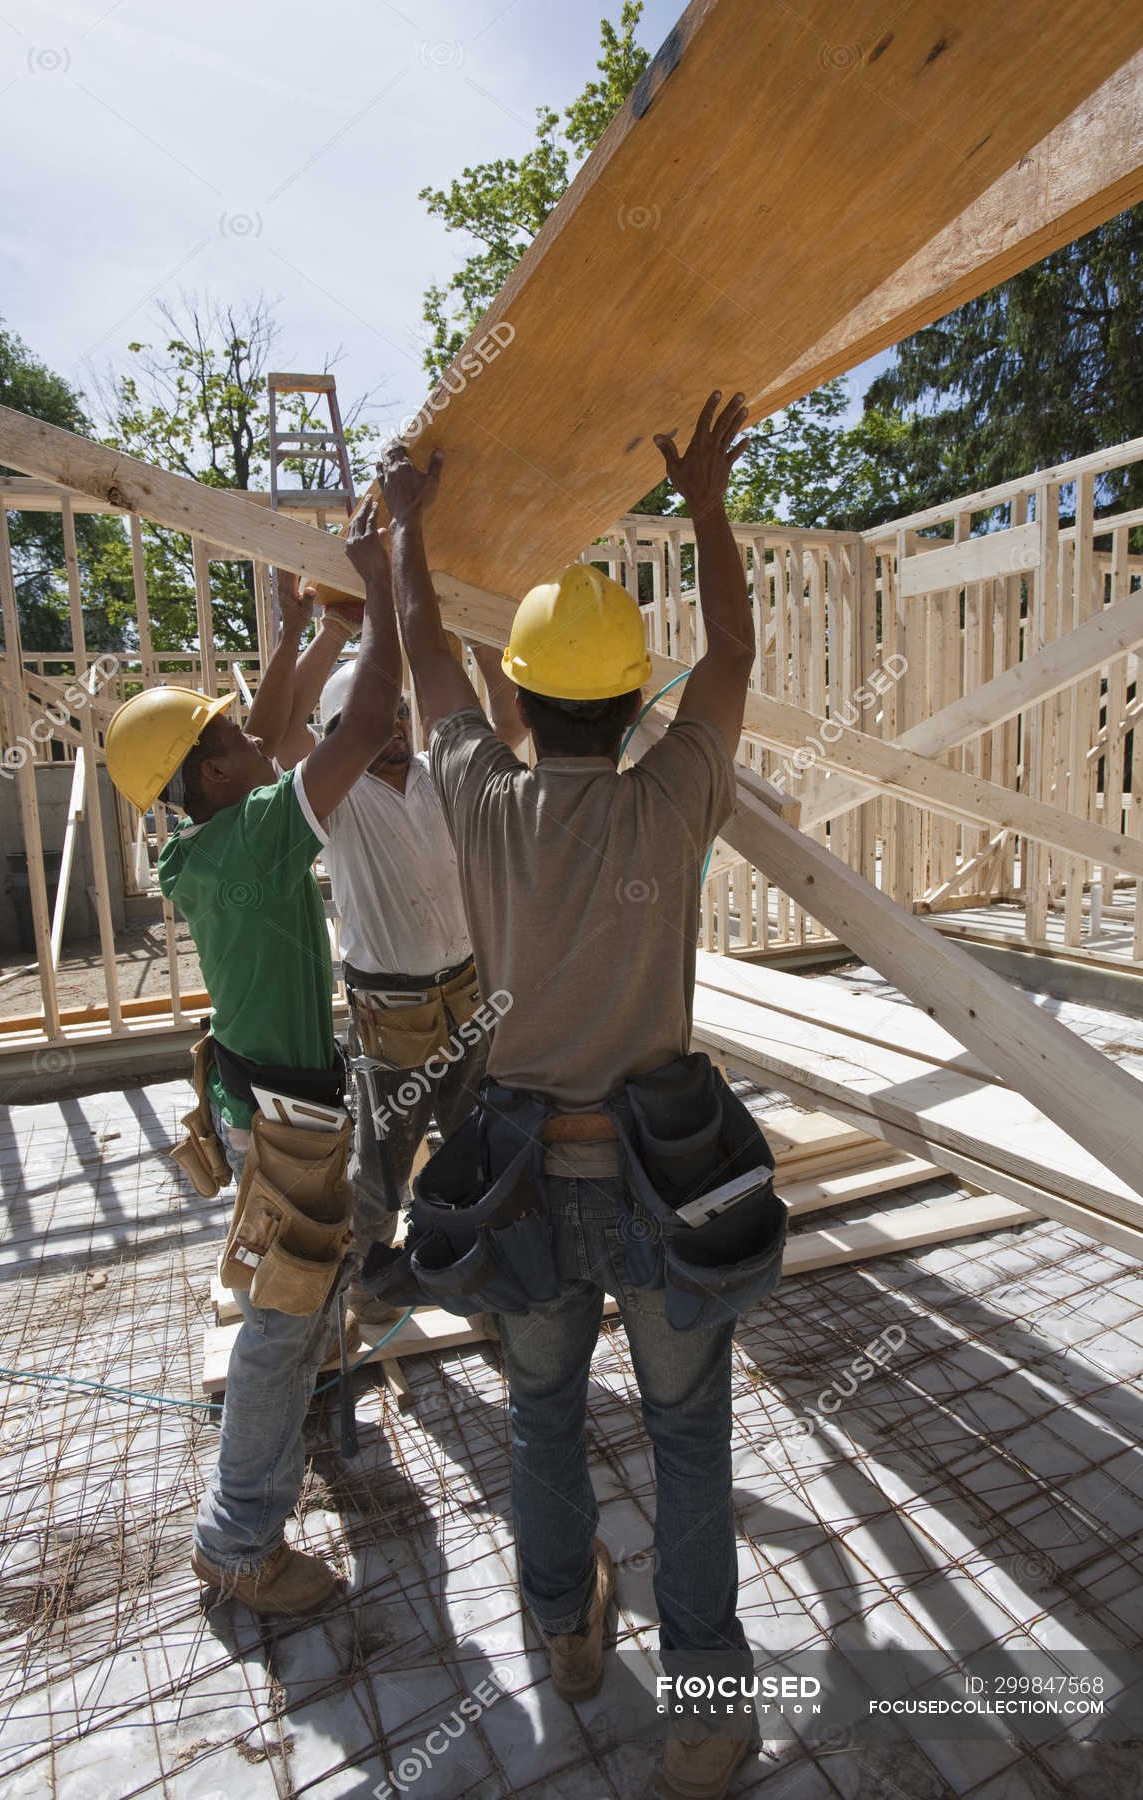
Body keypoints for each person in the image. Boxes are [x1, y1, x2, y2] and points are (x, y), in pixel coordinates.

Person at [379, 394, 781, 1800]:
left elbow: (425, 659)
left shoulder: (480, 797)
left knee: (543, 1419)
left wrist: (403, 536)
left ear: (529, 702)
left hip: (520, 1185)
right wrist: (709, 502)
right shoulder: (668, 803)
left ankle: (564, 1633)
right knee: (686, 1440)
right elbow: (732, 652)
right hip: (664, 1184)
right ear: (631, 703)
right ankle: (706, 1721)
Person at [103, 497, 400, 1616]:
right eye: (226, 738)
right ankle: (237, 1542)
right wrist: (385, 590)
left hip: (253, 1091)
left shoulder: (207, 840)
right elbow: (359, 731)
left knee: (307, 1289)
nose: (252, 742)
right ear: (213, 773)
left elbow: (269, 741)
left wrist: (301, 632)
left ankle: (311, 1384)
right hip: (286, 1116)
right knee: (278, 1328)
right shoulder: (259, 831)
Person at [259, 635, 525, 1336]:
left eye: (399, 712)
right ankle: (371, 1291)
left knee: (472, 1147)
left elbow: (513, 723)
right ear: (338, 736)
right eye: (370, 720)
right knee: (381, 1166)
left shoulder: (443, 773)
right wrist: (319, 633)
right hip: (392, 1010)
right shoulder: (335, 797)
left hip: (466, 997)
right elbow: (284, 733)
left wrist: (480, 638)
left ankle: (474, 1277)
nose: (393, 727)